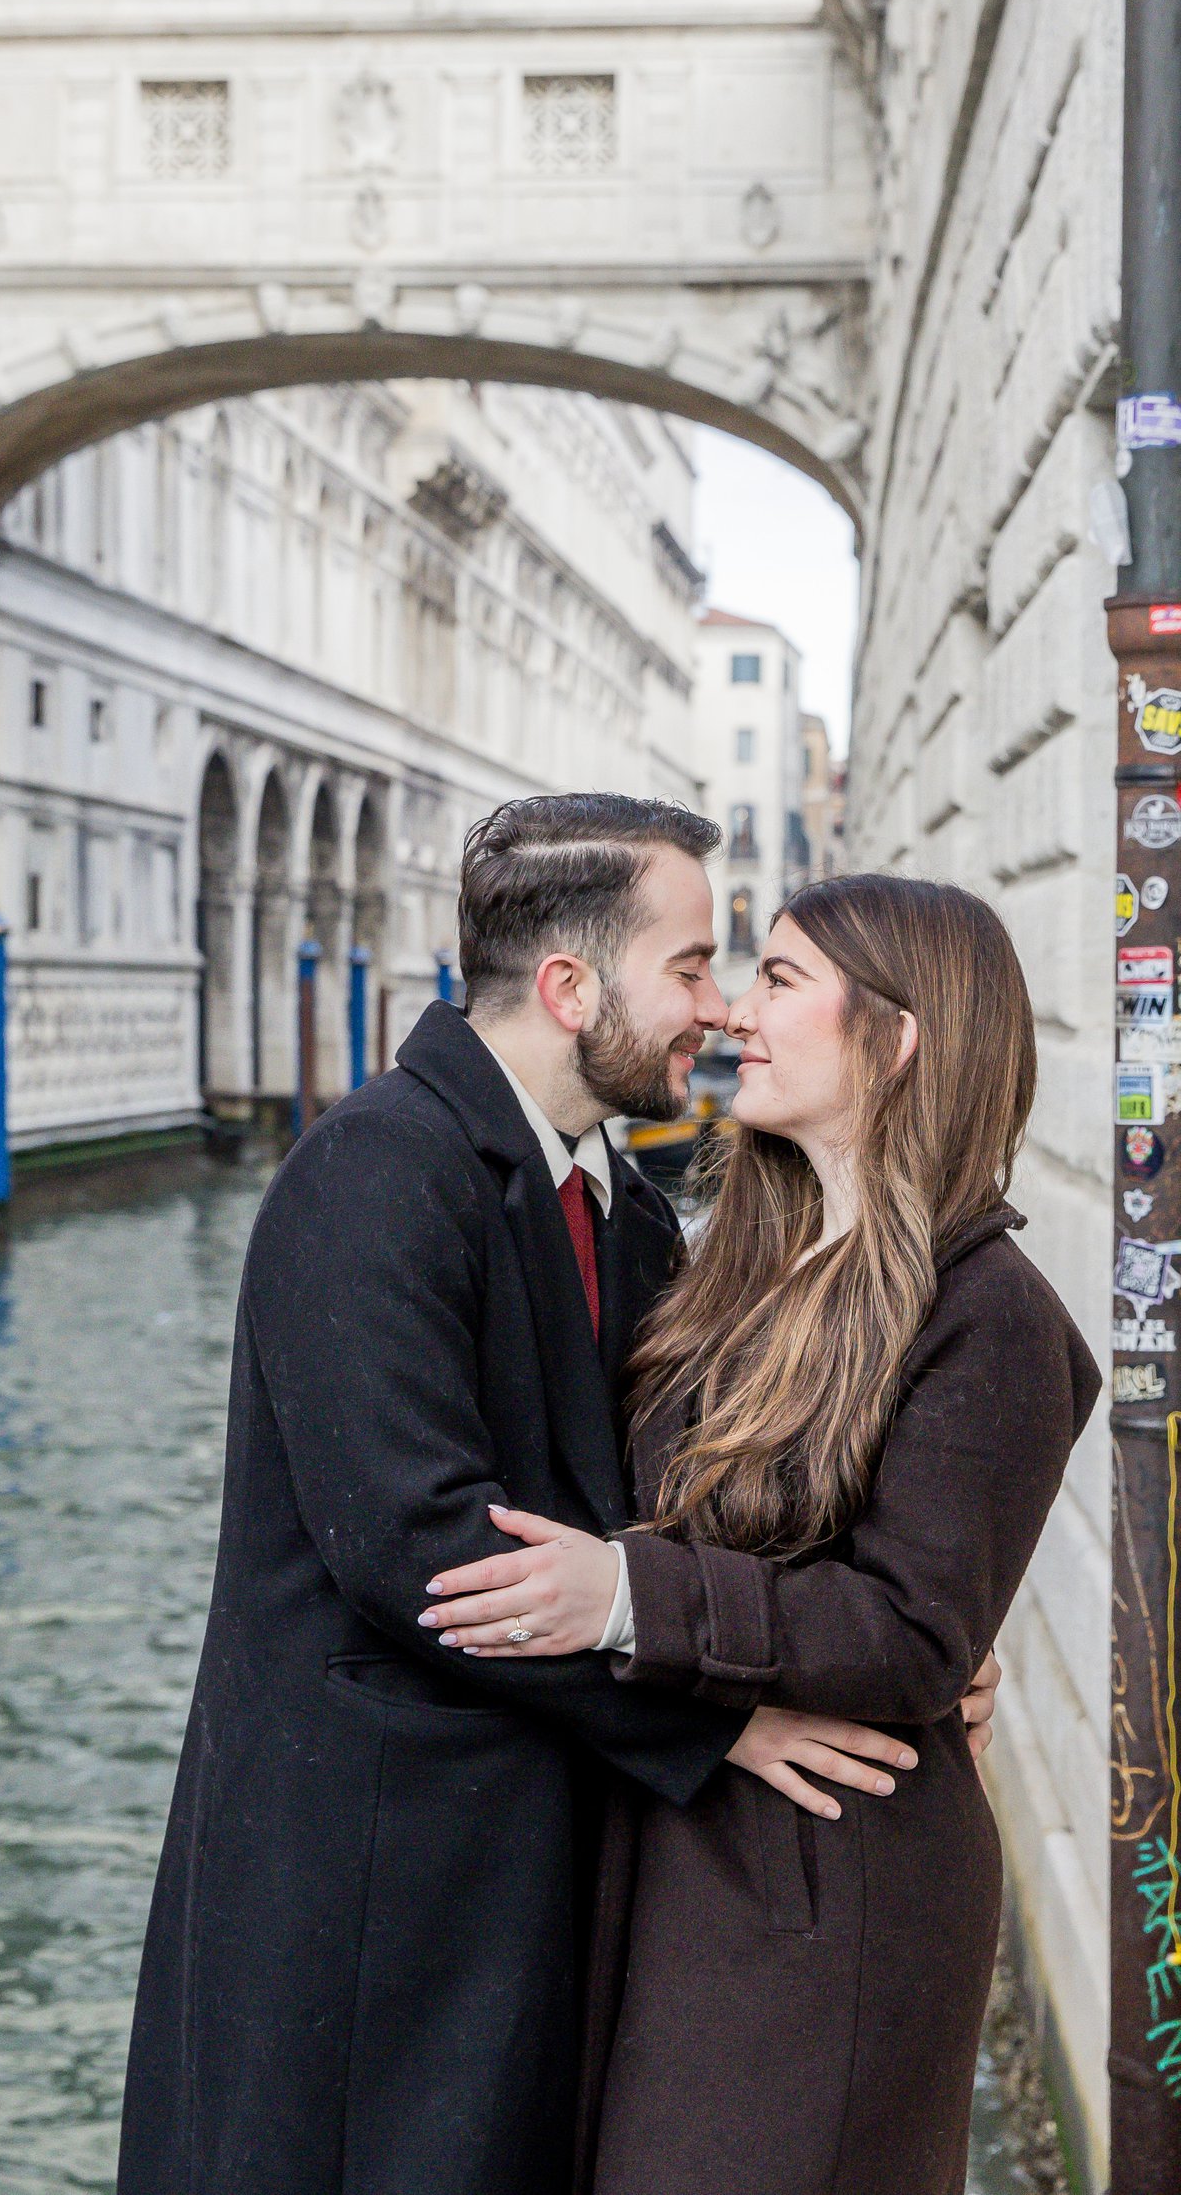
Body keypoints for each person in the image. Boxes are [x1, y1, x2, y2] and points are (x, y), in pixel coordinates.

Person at [117, 799, 979, 2195]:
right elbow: (422, 1553)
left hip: (535, 1875)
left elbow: (683, 1499)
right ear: (573, 989)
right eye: (690, 966)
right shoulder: (370, 1174)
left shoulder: (622, 1212)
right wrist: (724, 1717)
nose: (717, 1007)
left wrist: (889, 1641)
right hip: (373, 1901)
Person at [419, 872, 1099, 2195]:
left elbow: (908, 1632)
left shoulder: (993, 1318)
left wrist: (627, 1598)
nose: (734, 1011)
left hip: (821, 1899)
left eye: (780, 981)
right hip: (679, 1860)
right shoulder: (735, 1267)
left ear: (898, 1039)